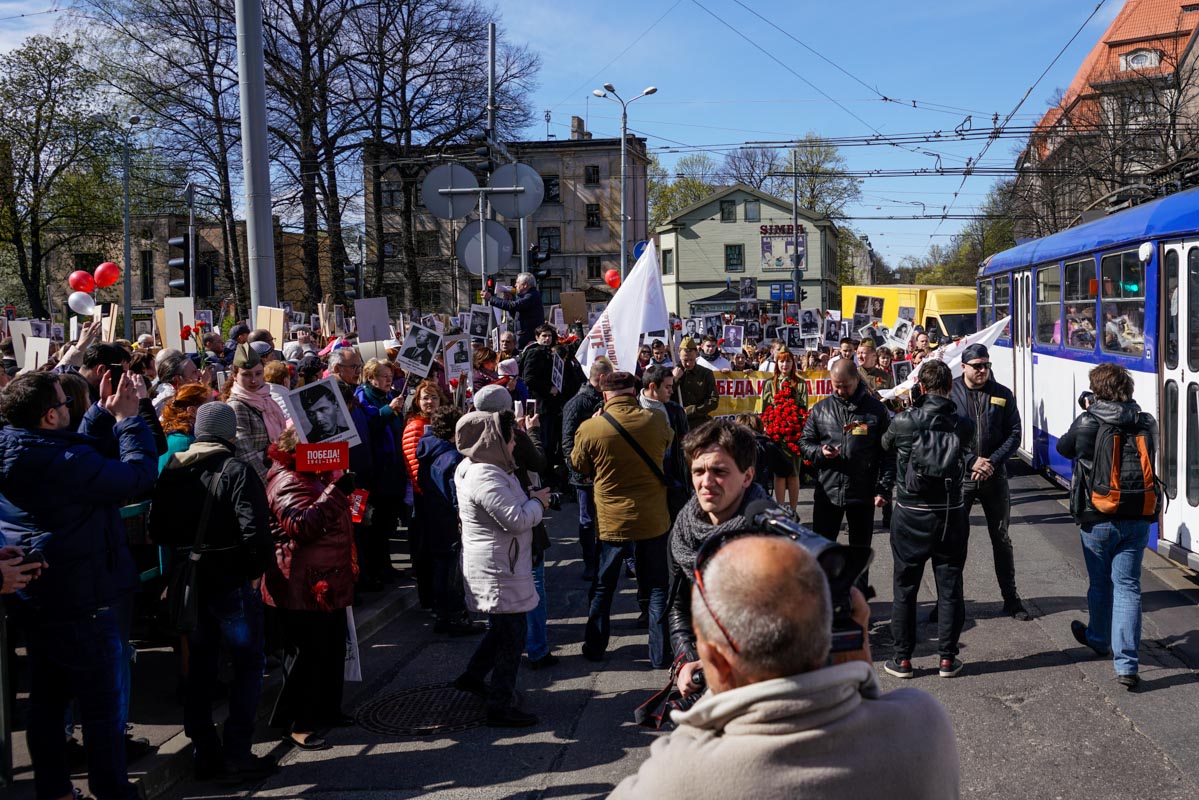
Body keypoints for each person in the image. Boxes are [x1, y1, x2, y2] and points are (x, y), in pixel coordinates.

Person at [611, 533, 959, 800]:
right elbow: (868, 696)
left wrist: (707, 698)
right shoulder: (924, 724)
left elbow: (686, 745)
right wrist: (858, 649)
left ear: (715, 659)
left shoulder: (676, 777)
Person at [0, 370, 157, 800]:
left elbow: (72, 453)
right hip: (83, 595)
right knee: (101, 708)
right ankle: (112, 791)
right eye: (66, 404)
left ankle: (55, 791)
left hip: (39, 593)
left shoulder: (14, 445)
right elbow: (137, 477)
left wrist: (98, 416)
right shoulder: (61, 463)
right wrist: (128, 420)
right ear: (50, 416)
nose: (72, 408)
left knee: (48, 702)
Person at [150, 403, 276, 782]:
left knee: (200, 668)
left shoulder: (172, 469)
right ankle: (237, 750)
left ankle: (205, 751)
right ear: (230, 431)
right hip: (232, 580)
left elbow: (157, 530)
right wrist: (255, 573)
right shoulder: (236, 470)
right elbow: (256, 530)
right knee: (248, 663)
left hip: (191, 581)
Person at [1057, 363, 1157, 689]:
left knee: (1101, 585)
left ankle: (1099, 638)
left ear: (1097, 390)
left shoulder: (1088, 420)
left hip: (1096, 516)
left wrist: (1087, 411)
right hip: (1137, 517)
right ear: (1128, 388)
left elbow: (1064, 448)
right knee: (1128, 587)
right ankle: (1127, 665)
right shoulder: (1146, 422)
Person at [452, 410, 550, 726]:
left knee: (504, 630)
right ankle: (500, 705)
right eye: (510, 439)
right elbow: (516, 520)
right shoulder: (484, 475)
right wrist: (539, 504)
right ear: (493, 441)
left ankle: (472, 676)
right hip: (499, 568)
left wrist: (530, 499)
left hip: (500, 563)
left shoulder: (481, 467)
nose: (513, 446)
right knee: (512, 636)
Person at [262, 427, 357, 751]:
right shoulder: (288, 480)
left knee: (329, 648)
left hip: (325, 578)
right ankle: (296, 723)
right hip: (302, 583)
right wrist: (337, 493)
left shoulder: (311, 474)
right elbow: (301, 526)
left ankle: (326, 709)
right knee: (305, 654)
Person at [881, 360, 976, 679]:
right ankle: (947, 659)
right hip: (950, 512)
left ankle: (903, 659)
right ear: (950, 387)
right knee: (949, 587)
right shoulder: (961, 422)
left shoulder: (904, 421)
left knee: (905, 587)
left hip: (910, 512)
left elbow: (885, 444)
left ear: (920, 387)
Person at [571, 371, 674, 667]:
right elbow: (667, 447)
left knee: (604, 587)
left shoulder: (591, 427)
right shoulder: (655, 420)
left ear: (605, 396)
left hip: (612, 519)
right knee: (656, 586)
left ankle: (594, 646)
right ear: (634, 392)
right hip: (653, 517)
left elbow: (579, 466)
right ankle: (660, 653)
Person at [666, 420, 771, 688]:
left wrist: (725, 660)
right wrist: (685, 660)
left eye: (719, 471)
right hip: (704, 674)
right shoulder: (683, 531)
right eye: (698, 471)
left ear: (747, 476)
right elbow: (678, 607)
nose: (706, 482)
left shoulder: (773, 532)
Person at [475, 384, 557, 669]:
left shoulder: (470, 444)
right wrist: (530, 433)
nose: (511, 447)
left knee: (497, 597)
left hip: (488, 538)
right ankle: (535, 648)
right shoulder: (511, 440)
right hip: (517, 525)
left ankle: (499, 652)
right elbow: (538, 463)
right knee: (531, 587)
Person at [798, 358, 893, 595]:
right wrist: (820, 452)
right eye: (836, 386)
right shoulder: (821, 409)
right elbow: (804, 443)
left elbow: (888, 454)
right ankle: (824, 603)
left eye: (845, 386)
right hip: (828, 492)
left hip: (862, 492)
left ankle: (858, 605)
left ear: (856, 380)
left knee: (859, 554)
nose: (841, 391)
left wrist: (883, 488)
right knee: (822, 551)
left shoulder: (876, 411)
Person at [950, 343, 1029, 621]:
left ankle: (1011, 599)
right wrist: (971, 460)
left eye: (987, 365)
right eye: (977, 366)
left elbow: (1014, 434)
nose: (983, 370)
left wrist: (991, 462)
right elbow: (945, 436)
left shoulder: (1002, 394)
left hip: (994, 478)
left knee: (1002, 538)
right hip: (962, 478)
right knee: (955, 542)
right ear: (964, 367)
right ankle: (950, 603)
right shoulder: (951, 393)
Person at [415, 405, 477, 634]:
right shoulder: (452, 457)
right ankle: (453, 616)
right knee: (451, 569)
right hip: (450, 520)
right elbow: (456, 494)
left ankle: (442, 615)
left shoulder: (427, 451)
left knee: (440, 566)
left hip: (432, 515)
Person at [354, 357, 408, 583]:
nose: (389, 380)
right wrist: (388, 410)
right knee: (373, 524)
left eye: (390, 376)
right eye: (383, 376)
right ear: (370, 378)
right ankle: (374, 569)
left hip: (393, 466)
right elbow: (369, 426)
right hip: (376, 468)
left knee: (388, 521)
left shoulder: (389, 395)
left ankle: (386, 565)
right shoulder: (363, 397)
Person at [561, 359, 613, 580]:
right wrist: (578, 469)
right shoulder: (577, 404)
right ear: (601, 378)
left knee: (607, 518)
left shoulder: (606, 400)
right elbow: (567, 442)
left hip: (605, 471)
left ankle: (608, 559)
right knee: (588, 520)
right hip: (584, 474)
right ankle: (590, 562)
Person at [403, 379, 448, 606]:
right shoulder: (415, 426)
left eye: (434, 397)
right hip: (425, 497)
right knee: (425, 550)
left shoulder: (437, 424)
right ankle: (428, 598)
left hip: (435, 496)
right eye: (425, 398)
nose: (430, 402)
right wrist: (427, 492)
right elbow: (413, 464)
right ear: (417, 402)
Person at [224, 343, 287, 485]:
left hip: (277, 472)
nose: (253, 380)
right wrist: (270, 483)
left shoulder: (266, 398)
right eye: (246, 375)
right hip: (258, 482)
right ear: (234, 376)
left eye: (258, 374)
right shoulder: (236, 405)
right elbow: (246, 454)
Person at [639, 365, 691, 519]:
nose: (672, 391)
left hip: (673, 480)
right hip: (645, 482)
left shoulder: (675, 411)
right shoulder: (633, 408)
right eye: (667, 387)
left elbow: (685, 443)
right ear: (653, 386)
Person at [760, 347, 808, 512]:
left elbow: (803, 408)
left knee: (793, 474)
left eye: (788, 361)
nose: (785, 364)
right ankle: (780, 509)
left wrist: (791, 419)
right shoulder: (769, 384)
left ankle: (793, 511)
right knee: (779, 474)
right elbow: (765, 410)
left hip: (793, 433)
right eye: (781, 361)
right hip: (776, 434)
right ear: (776, 363)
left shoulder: (800, 383)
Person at [484, 272, 545, 349]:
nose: (515, 285)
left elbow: (512, 306)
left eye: (517, 283)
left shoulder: (531, 296)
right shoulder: (527, 296)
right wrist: (510, 300)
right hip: (524, 336)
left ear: (525, 285)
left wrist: (491, 298)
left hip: (528, 337)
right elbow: (516, 315)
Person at [673, 340, 718, 431]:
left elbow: (713, 401)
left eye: (692, 360)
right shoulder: (671, 373)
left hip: (700, 425)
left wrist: (692, 411)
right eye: (685, 360)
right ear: (679, 355)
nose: (688, 363)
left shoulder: (706, 373)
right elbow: (664, 396)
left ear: (697, 354)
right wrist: (675, 379)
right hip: (677, 424)